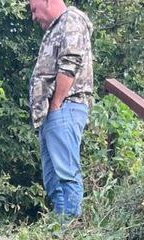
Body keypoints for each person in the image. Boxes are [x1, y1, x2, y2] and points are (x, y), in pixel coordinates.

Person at [28, 0, 93, 221]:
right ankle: (60, 232)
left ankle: (71, 233)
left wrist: (56, 104)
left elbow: (70, 62)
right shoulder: (57, 26)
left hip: (64, 108)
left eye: (34, 9)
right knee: (53, 180)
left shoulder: (71, 20)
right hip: (53, 113)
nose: (33, 17)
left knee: (66, 175)